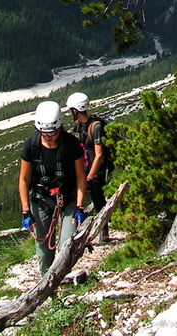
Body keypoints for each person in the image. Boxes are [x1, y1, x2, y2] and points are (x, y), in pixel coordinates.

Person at [18, 100, 87, 275]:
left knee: (65, 244)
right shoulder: (31, 146)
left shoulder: (71, 145)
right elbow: (24, 179)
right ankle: (46, 285)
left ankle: (62, 277)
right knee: (43, 250)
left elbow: (80, 176)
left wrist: (79, 206)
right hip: (41, 201)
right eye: (44, 132)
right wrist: (26, 210)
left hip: (68, 199)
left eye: (52, 132)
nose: (48, 136)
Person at [66, 92, 111, 243]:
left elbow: (99, 155)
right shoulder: (81, 125)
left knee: (98, 199)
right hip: (86, 166)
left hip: (96, 169)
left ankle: (103, 230)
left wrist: (90, 176)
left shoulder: (95, 127)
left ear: (75, 110)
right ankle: (82, 229)